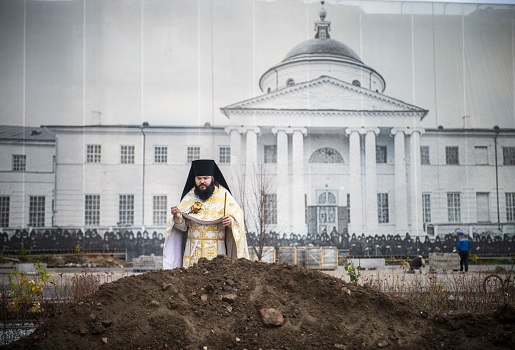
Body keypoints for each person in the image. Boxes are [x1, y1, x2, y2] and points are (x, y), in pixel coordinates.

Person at [162, 159, 249, 269]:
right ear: (195, 179)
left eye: (205, 178)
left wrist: (231, 221)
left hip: (216, 253)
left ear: (212, 178)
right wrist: (178, 217)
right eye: (199, 178)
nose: (202, 181)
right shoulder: (189, 198)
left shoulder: (224, 196)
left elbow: (238, 219)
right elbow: (183, 227)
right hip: (193, 252)